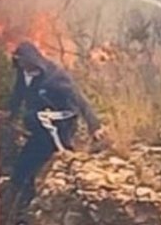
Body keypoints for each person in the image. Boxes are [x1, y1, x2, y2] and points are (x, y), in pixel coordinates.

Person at [7, 41, 105, 204]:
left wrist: (94, 126)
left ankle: (65, 152)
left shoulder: (56, 78)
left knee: (43, 136)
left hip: (62, 121)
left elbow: (79, 99)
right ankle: (21, 198)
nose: (22, 64)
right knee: (24, 163)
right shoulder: (23, 74)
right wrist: (11, 114)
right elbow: (18, 93)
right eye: (19, 60)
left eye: (24, 60)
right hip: (39, 127)